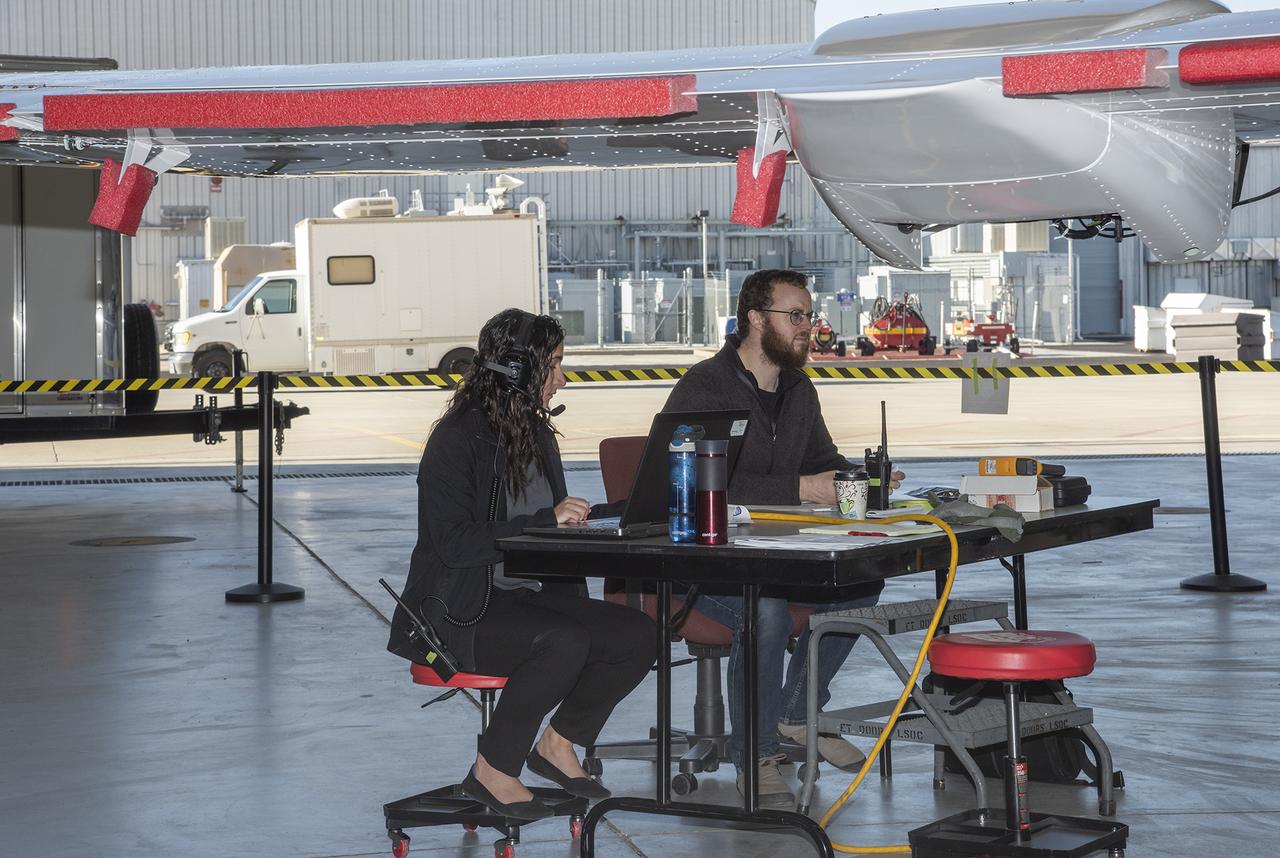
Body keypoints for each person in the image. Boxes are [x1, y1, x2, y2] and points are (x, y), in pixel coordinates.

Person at [388, 308, 656, 821]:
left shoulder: (533, 432)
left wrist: (616, 516)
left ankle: (558, 744)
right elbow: (454, 544)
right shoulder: (457, 439)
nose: (561, 379)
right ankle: (493, 769)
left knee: (637, 635)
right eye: (553, 365)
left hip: (527, 598)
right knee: (564, 641)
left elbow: (543, 526)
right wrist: (545, 520)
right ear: (516, 369)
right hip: (460, 610)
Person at [662, 269, 905, 807]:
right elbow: (696, 480)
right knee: (765, 609)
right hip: (702, 563)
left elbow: (823, 461)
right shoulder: (705, 387)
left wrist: (863, 479)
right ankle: (755, 752)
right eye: (795, 316)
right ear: (756, 319)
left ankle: (796, 712)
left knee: (862, 581)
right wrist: (801, 488)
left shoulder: (798, 389)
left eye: (809, 316)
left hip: (776, 553)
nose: (807, 327)